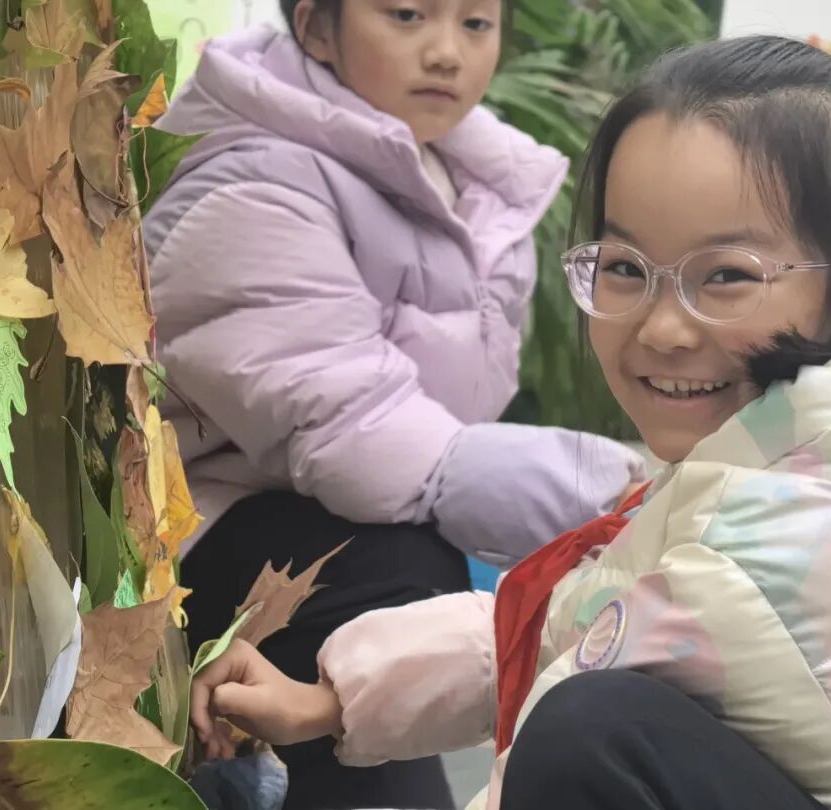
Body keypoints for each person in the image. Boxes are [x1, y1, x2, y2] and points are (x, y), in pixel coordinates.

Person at [189, 34, 831, 810]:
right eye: (625, 267)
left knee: (585, 734)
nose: (661, 327)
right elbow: (580, 607)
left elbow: (566, 683)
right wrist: (332, 697)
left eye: (726, 276)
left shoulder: (784, 534)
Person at [143, 0, 644, 807]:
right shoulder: (252, 179)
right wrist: (619, 494)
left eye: (476, 23)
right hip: (210, 539)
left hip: (368, 520)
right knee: (398, 574)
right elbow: (348, 424)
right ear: (317, 27)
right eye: (408, 15)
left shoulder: (472, 183)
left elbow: (443, 424)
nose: (447, 52)